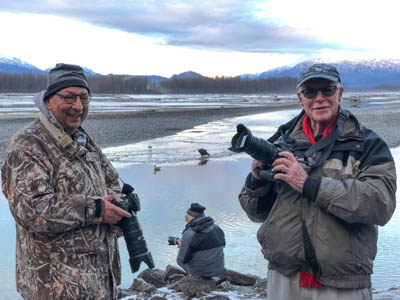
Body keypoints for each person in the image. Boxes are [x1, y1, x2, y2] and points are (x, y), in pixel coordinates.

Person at [238, 63, 396, 300]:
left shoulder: (366, 145)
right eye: (311, 92)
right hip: (284, 279)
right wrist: (256, 181)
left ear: (339, 94)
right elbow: (256, 214)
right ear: (300, 98)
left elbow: (380, 204)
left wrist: (310, 185)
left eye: (327, 90)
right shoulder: (281, 142)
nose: (319, 98)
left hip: (343, 284)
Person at [1, 63, 132, 300]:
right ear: (48, 101)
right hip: (55, 286)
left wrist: (117, 210)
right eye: (69, 97)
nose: (78, 106)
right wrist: (97, 209)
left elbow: (110, 179)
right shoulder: (28, 144)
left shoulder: (82, 139)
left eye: (84, 98)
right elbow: (33, 211)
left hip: (99, 282)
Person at [176, 203, 226, 278]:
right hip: (219, 269)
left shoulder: (190, 234)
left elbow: (181, 260)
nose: (186, 219)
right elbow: (223, 246)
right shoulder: (217, 228)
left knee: (179, 260)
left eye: (187, 216)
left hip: (201, 273)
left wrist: (182, 246)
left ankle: (195, 277)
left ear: (192, 217)